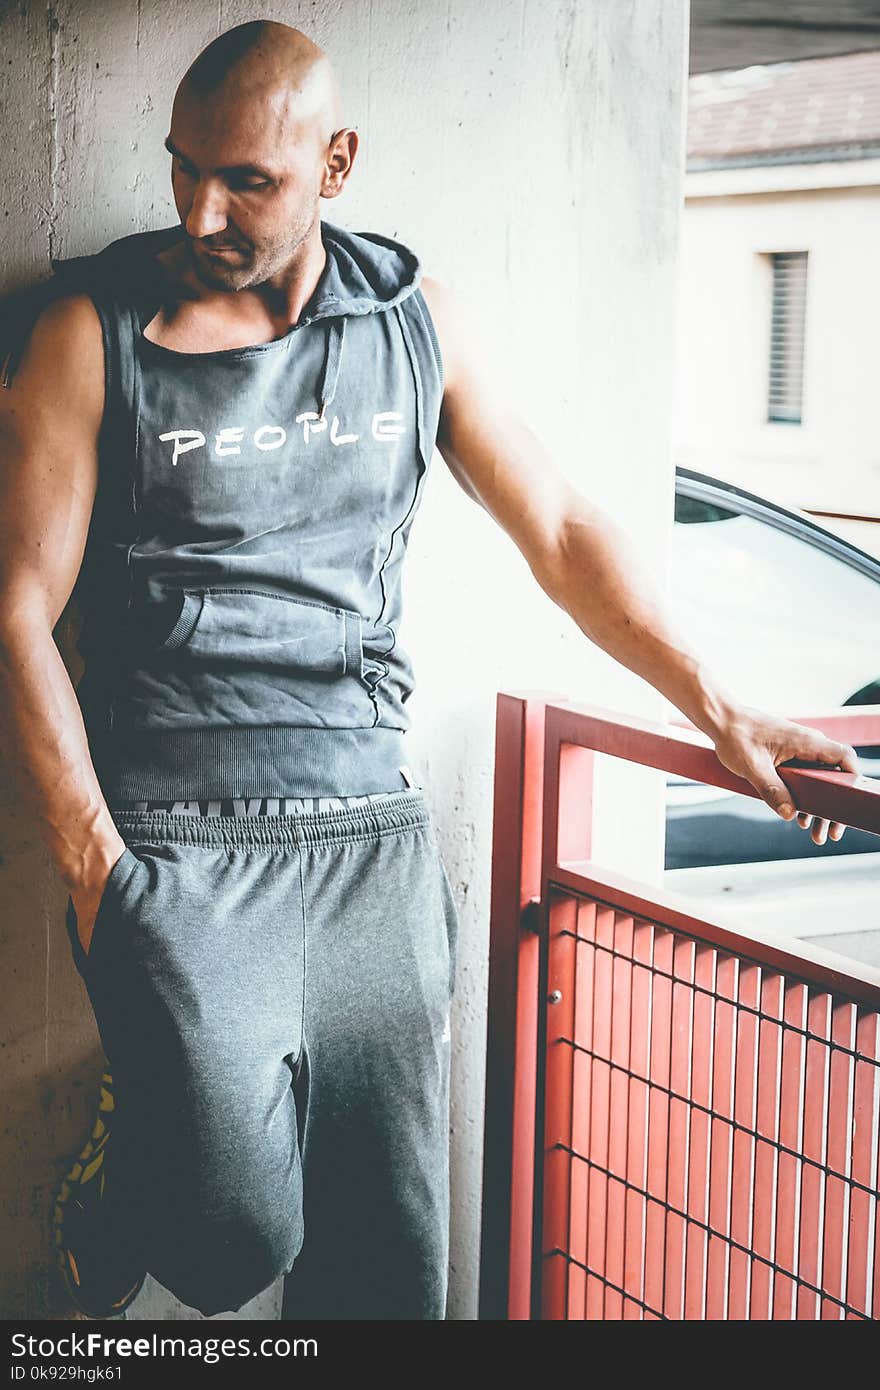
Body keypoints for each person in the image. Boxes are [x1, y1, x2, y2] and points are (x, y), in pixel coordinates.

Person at [0, 19, 857, 1322]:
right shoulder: (94, 327)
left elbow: (564, 532)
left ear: (336, 163)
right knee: (228, 1238)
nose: (202, 208)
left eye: (249, 181)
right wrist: (96, 872)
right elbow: (18, 600)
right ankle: (126, 1185)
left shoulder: (411, 323)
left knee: (387, 1278)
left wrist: (721, 705)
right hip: (184, 842)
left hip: (370, 851)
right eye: (185, 168)